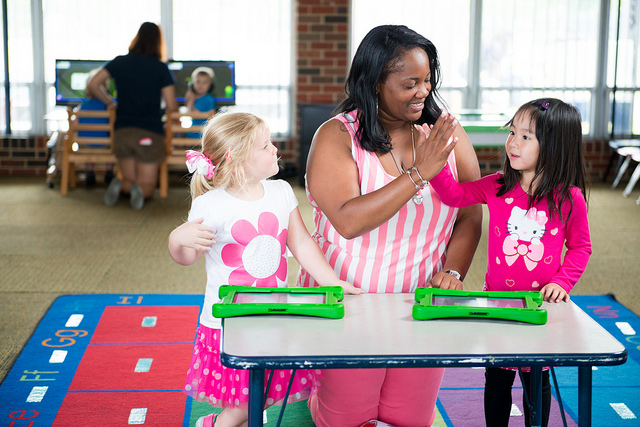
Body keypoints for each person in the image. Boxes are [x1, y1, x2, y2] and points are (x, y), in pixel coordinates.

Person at [297, 25, 483, 427]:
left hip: (420, 306)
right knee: (348, 421)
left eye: (428, 80)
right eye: (410, 83)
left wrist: (453, 272)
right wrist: (419, 173)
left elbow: (470, 212)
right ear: (375, 83)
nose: (423, 91)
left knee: (407, 421)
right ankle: (314, 386)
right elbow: (348, 220)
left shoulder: (446, 134)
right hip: (348, 305)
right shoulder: (335, 136)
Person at [167, 112, 363, 427]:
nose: (274, 149)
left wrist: (333, 281)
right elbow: (187, 257)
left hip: (273, 313)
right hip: (230, 321)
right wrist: (177, 240)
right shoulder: (211, 205)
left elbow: (301, 243)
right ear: (235, 158)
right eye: (264, 146)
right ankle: (217, 424)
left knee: (261, 392)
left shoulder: (281, 192)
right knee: (245, 403)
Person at [428, 98, 592, 427]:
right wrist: (438, 162)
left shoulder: (569, 198)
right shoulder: (497, 185)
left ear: (554, 146)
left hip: (539, 310)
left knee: (537, 383)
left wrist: (562, 282)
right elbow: (453, 195)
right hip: (497, 306)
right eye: (512, 132)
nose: (513, 142)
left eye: (526, 136)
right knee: (497, 381)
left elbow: (580, 247)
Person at [88, 21, 177, 210]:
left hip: (123, 131)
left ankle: (123, 185)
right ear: (158, 42)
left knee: (130, 177)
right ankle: (137, 191)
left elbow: (93, 84)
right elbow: (171, 106)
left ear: (136, 38)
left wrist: (110, 102)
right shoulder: (160, 68)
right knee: (148, 185)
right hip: (149, 133)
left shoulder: (120, 62)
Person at [78, 68, 114, 187]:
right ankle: (109, 171)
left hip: (85, 145)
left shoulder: (82, 106)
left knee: (84, 140)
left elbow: (76, 125)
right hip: (104, 145)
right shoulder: (109, 105)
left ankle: (89, 171)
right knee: (113, 141)